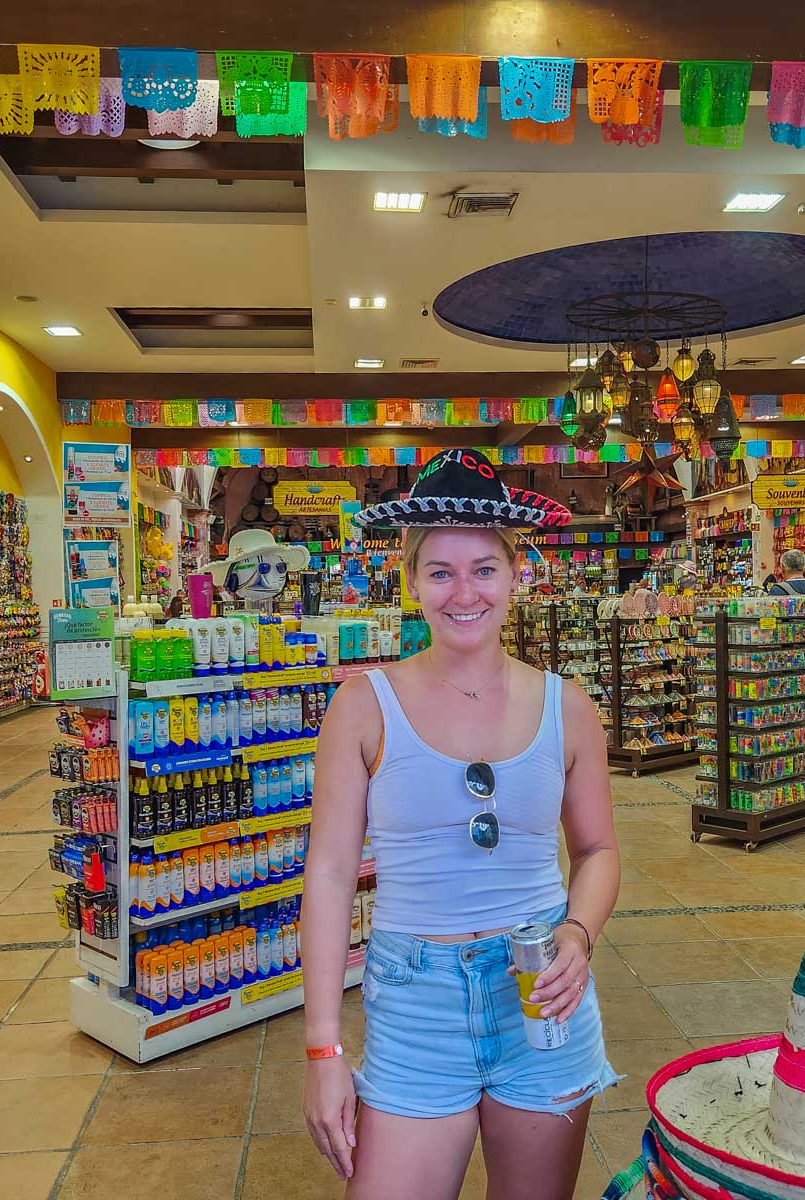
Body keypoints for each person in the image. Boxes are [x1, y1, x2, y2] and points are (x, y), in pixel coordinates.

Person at [302, 449, 621, 1200]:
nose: (464, 592)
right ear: (411, 580)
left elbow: (599, 850)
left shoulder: (568, 707)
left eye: (484, 568)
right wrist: (323, 1049)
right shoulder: (363, 706)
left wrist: (578, 934)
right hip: (415, 1004)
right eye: (440, 572)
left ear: (516, 573)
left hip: (542, 994)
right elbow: (330, 875)